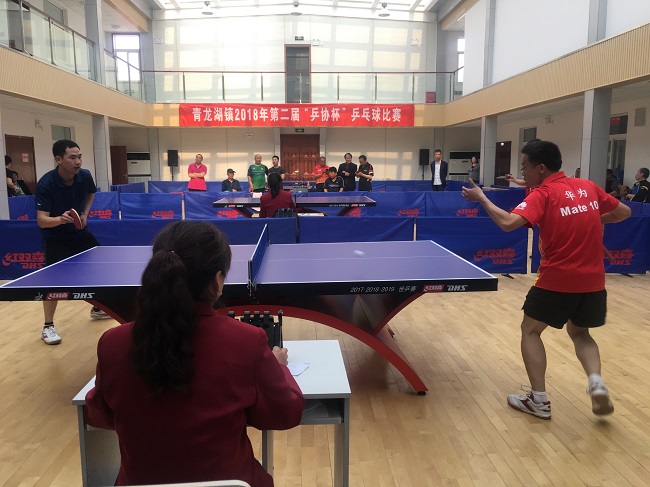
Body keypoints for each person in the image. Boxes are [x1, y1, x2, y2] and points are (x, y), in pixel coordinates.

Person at [84, 221, 304, 486]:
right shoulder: (248, 341)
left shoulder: (112, 343)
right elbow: (285, 413)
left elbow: (99, 414)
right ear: (217, 280)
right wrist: (279, 367)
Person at [461, 140, 631, 419]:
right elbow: (624, 212)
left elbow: (508, 223)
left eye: (525, 167)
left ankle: (539, 400)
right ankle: (596, 382)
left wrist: (482, 198)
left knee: (530, 330)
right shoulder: (587, 186)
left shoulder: (543, 194)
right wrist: (590, 221)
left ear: (540, 168)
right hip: (593, 282)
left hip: (557, 279)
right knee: (581, 333)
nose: (523, 172)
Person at [36, 140, 111, 345]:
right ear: (59, 159)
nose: (78, 161)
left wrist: (85, 213)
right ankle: (48, 326)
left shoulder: (84, 175)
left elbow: (91, 192)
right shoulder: (46, 184)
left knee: (101, 264)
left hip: (79, 232)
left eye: (79, 157)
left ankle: (97, 308)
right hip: (55, 236)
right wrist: (60, 219)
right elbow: (42, 220)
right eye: (72, 157)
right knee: (53, 282)